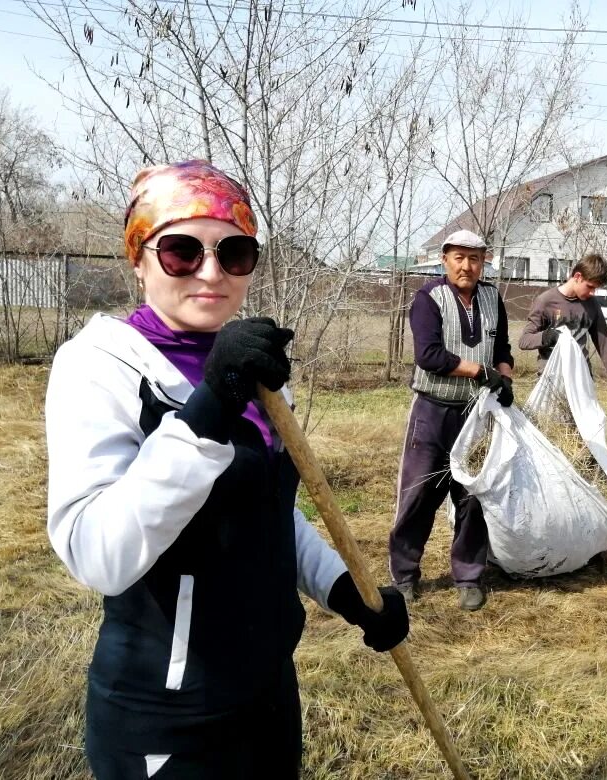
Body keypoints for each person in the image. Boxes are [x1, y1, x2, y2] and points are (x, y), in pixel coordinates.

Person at [45, 160, 409, 779]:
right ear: (139, 259)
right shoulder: (99, 366)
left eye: (234, 252)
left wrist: (345, 589)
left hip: (266, 692)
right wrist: (209, 407)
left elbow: (268, 508)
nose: (211, 272)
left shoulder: (251, 366)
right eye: (182, 251)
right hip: (169, 712)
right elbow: (97, 555)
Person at [388, 229, 514, 612]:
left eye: (474, 258)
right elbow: (429, 356)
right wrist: (480, 371)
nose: (467, 266)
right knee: (419, 495)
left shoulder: (492, 297)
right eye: (459, 257)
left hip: (475, 415)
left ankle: (469, 577)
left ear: (484, 262)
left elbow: (503, 347)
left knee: (472, 495)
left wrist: (505, 379)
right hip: (432, 411)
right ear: (444, 260)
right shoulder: (429, 298)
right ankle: (405, 576)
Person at [518, 253, 607, 413]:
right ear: (577, 276)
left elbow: (604, 346)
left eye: (596, 288)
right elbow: (524, 340)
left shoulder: (592, 305)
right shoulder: (546, 301)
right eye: (590, 287)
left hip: (581, 380)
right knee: (551, 432)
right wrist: (547, 336)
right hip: (551, 380)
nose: (592, 293)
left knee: (583, 431)